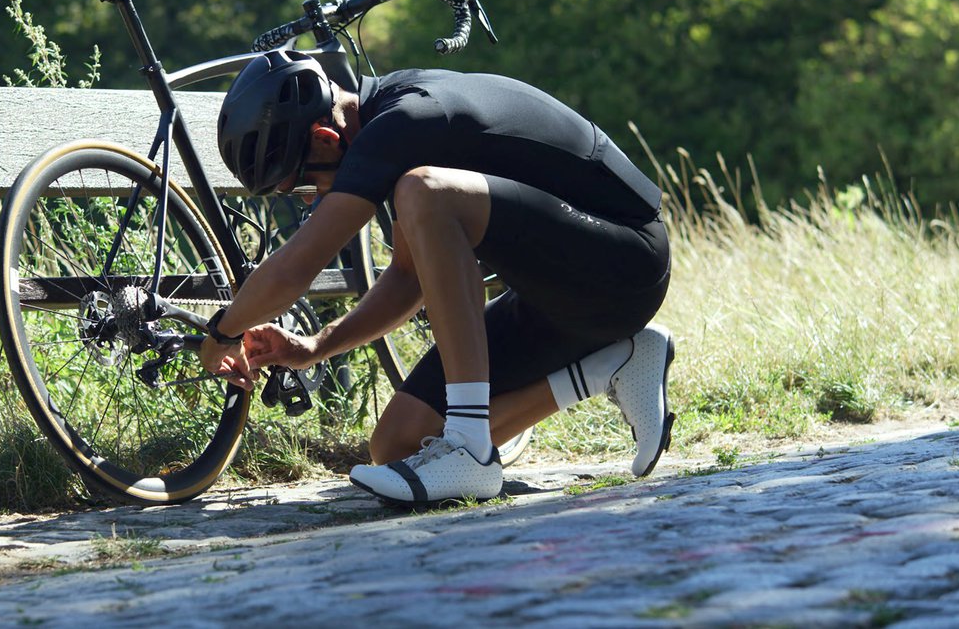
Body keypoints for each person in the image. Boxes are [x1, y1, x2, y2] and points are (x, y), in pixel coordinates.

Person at [198, 49, 674, 506]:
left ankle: (469, 447)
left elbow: (297, 267)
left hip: (627, 264)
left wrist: (223, 331)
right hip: (557, 298)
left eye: (303, 183)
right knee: (399, 446)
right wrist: (317, 347)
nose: (307, 200)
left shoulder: (408, 120)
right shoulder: (389, 125)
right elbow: (408, 277)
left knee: (425, 190)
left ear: (325, 137)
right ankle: (614, 363)